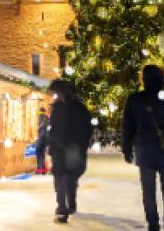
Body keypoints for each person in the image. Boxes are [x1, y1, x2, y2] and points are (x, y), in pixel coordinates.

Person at [122, 64, 164, 231]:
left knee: (148, 193)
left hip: (145, 151)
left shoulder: (134, 100)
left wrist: (127, 149)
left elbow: (127, 128)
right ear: (162, 77)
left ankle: (153, 224)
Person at [47, 79, 93, 224]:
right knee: (63, 178)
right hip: (63, 148)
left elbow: (86, 130)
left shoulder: (77, 108)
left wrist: (82, 144)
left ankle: (67, 204)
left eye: (55, 93)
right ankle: (63, 207)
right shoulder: (59, 108)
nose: (54, 96)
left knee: (67, 178)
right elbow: (53, 129)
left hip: (72, 148)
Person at [35, 106, 50, 174]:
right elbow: (49, 127)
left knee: (38, 153)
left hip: (41, 137)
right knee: (43, 154)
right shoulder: (47, 118)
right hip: (46, 138)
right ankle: (43, 171)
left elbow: (41, 126)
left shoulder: (41, 116)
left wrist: (38, 128)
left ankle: (39, 170)